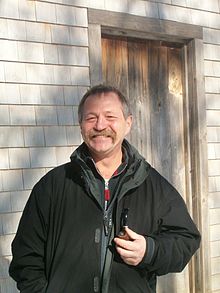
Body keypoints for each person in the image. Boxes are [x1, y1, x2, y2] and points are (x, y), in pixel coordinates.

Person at [9, 84, 201, 293]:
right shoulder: (53, 185)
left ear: (128, 124)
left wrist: (150, 250)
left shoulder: (153, 185)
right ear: (80, 125)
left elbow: (186, 240)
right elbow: (25, 258)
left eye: (110, 117)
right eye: (91, 117)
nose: (100, 125)